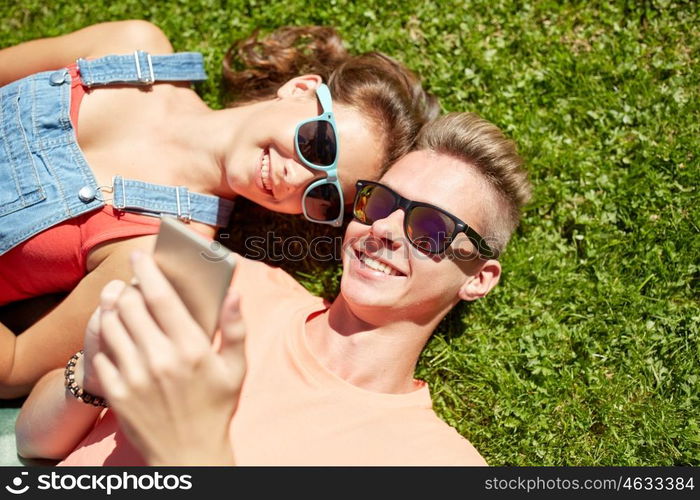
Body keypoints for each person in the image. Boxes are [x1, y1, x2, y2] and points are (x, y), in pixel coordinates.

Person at [16, 112, 531, 465]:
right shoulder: (216, 274)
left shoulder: (438, 463)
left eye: (431, 230)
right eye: (379, 203)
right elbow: (33, 439)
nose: (385, 231)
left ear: (478, 279)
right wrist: (91, 375)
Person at [0, 21, 438, 398]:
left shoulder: (169, 254)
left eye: (324, 195)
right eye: (317, 145)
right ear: (301, 89)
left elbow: (15, 368)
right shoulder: (134, 47)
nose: (297, 179)